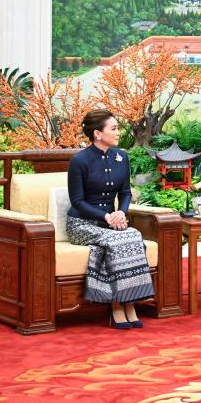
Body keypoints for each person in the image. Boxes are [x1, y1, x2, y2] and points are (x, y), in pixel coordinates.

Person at [66, 109, 153, 329]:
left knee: (134, 235)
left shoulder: (121, 157)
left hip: (110, 222)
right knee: (118, 240)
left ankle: (130, 301)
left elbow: (125, 192)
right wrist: (107, 216)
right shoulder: (79, 161)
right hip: (81, 224)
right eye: (113, 128)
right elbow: (77, 201)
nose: (118, 132)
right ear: (97, 133)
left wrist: (121, 212)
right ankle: (117, 304)